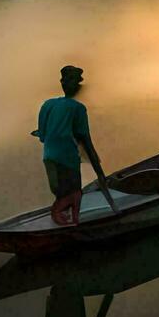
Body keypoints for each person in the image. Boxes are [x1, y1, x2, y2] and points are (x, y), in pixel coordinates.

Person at [33, 65, 104, 226]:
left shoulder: (47, 105)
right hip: (67, 159)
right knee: (74, 194)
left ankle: (68, 219)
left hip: (49, 156)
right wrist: (99, 173)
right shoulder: (78, 108)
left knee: (62, 193)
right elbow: (85, 140)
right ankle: (67, 219)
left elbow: (42, 136)